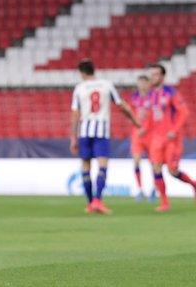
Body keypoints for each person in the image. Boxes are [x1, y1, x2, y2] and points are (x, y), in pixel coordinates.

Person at [70, 59, 139, 214]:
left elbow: (75, 113)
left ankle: (90, 203)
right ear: (94, 70)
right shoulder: (107, 85)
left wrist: (73, 137)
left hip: (84, 132)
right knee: (102, 166)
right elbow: (121, 105)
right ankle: (97, 201)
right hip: (102, 131)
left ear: (81, 72)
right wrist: (134, 120)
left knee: (86, 167)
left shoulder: (79, 88)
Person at [146, 64, 196, 212]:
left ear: (162, 76)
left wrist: (174, 130)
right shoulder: (151, 94)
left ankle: (193, 184)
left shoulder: (171, 92)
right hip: (156, 138)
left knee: (172, 170)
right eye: (151, 74)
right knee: (155, 168)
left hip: (171, 139)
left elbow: (184, 112)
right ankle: (164, 202)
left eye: (155, 74)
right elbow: (151, 117)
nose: (152, 77)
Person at [129, 75, 154, 201]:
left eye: (145, 82)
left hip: (151, 135)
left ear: (148, 84)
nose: (142, 85)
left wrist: (147, 128)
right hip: (137, 135)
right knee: (136, 161)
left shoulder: (154, 97)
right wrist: (137, 126)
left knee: (154, 164)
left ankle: (154, 189)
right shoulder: (134, 97)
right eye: (140, 83)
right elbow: (131, 114)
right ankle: (140, 189)